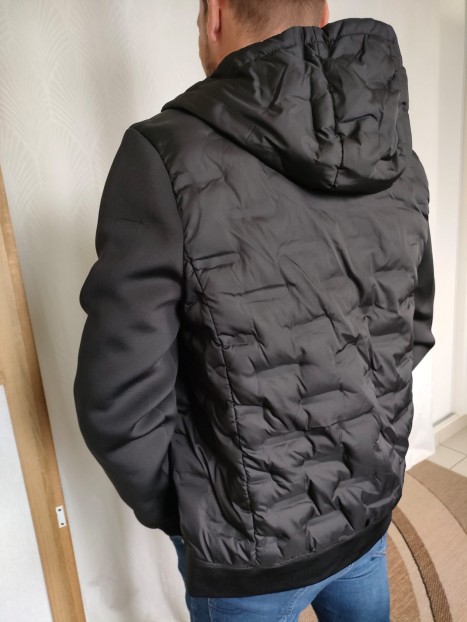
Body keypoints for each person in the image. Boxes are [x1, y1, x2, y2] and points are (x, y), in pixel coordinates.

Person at [73, 0, 436, 620]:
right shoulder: (392, 150)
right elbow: (414, 329)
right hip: (366, 506)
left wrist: (191, 512)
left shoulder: (163, 157)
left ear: (214, 14)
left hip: (249, 557)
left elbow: (118, 396)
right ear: (323, 13)